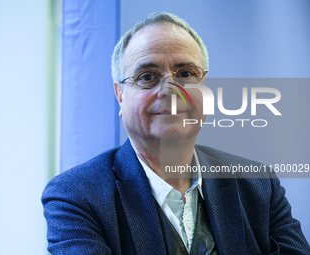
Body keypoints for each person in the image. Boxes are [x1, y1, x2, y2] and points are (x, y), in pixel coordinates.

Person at [42, 12, 310, 254]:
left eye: (185, 73)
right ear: (120, 95)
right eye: (147, 76)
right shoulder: (76, 197)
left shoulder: (258, 183)